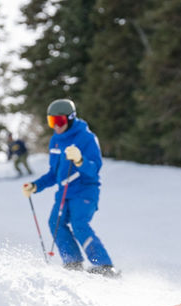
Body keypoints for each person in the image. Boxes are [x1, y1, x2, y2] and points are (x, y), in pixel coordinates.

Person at [22, 98, 117, 276]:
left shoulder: (87, 138)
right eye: (52, 122)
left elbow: (94, 169)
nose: (56, 126)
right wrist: (36, 186)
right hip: (64, 192)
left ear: (71, 119)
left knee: (79, 223)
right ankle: (73, 262)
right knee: (55, 223)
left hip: (85, 189)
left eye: (60, 121)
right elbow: (53, 173)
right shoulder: (55, 141)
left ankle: (104, 265)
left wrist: (80, 161)